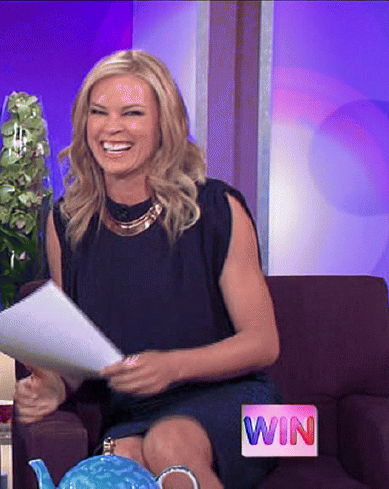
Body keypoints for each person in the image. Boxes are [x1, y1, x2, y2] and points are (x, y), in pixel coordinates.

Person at [14, 49, 280, 489]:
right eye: (99, 112)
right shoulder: (67, 223)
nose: (111, 127)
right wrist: (53, 388)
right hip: (135, 410)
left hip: (245, 407)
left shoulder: (216, 209)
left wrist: (171, 367)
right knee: (122, 460)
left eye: (132, 113)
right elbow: (79, 353)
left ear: (164, 126)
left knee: (168, 443)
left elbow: (264, 344)